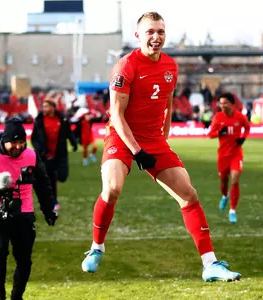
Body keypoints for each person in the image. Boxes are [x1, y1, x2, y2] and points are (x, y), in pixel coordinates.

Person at [80, 12, 241, 282]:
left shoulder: (170, 65)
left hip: (153, 139)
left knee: (188, 195)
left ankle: (210, 264)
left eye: (161, 32)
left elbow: (166, 99)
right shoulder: (126, 66)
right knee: (112, 188)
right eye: (151, 32)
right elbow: (117, 115)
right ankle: (97, 248)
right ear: (138, 36)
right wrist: (136, 150)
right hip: (121, 136)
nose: (156, 37)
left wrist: (163, 133)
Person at [0, 118, 58, 300]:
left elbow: (43, 185)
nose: (18, 147)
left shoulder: (32, 156)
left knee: (24, 259)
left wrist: (48, 210)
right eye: (14, 142)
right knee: (0, 252)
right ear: (4, 141)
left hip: (24, 212)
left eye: (21, 142)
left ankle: (16, 296)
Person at [208, 93, 250, 223]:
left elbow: (247, 127)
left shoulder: (240, 117)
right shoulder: (218, 117)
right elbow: (210, 134)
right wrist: (219, 133)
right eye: (221, 103)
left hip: (236, 154)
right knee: (224, 181)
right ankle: (225, 196)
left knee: (235, 180)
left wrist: (243, 138)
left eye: (225, 103)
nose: (222, 106)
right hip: (223, 155)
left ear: (232, 104)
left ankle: (232, 210)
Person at [31, 98, 77, 211]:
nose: (44, 109)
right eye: (43, 106)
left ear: (53, 107)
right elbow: (34, 139)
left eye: (46, 106)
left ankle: (55, 179)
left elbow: (68, 133)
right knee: (50, 180)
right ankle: (53, 201)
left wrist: (74, 143)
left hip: (60, 153)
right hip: (46, 156)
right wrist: (41, 150)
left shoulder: (62, 119)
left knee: (62, 176)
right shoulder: (39, 120)